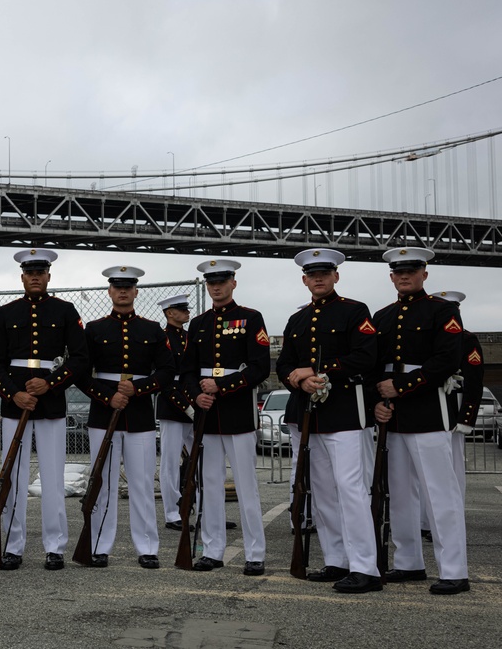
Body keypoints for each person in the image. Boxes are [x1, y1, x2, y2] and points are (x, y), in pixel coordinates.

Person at [275, 248, 381, 593]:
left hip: (346, 412)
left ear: (336, 276)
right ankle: (337, 560)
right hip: (310, 415)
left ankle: (366, 567)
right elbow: (283, 365)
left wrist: (319, 371)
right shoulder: (297, 319)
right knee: (322, 492)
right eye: (311, 275)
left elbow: (365, 356)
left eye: (324, 273)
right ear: (304, 280)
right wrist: (298, 378)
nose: (318, 279)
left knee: (351, 490)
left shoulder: (355, 311)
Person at [0, 249, 89, 571]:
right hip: (17, 404)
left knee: (53, 478)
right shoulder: (6, 313)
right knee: (11, 477)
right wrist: (13, 395)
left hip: (51, 402)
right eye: (29, 272)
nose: (34, 276)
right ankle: (13, 546)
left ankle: (54, 546)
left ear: (48, 276)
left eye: (40, 271)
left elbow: (81, 358)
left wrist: (51, 384)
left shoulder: (66, 310)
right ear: (22, 277)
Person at [373, 247, 468, 595]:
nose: (404, 276)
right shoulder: (381, 317)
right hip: (393, 416)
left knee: (440, 494)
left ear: (424, 274)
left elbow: (447, 360)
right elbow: (374, 367)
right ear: (391, 277)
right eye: (398, 272)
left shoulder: (443, 311)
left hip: (428, 411)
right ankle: (409, 561)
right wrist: (377, 402)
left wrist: (399, 387)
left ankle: (455, 570)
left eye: (411, 270)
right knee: (399, 494)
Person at [76, 266, 174, 568]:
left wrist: (137, 388)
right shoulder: (93, 329)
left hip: (140, 415)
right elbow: (80, 372)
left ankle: (147, 547)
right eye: (117, 287)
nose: (122, 291)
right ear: (109, 291)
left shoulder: (153, 329)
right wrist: (108, 396)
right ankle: (98, 546)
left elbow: (168, 371)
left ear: (135, 292)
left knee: (142, 484)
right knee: (102, 483)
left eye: (128, 287)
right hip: (103, 414)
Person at [179, 259, 268, 576]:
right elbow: (187, 371)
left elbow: (260, 368)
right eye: (211, 282)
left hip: (237, 411)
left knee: (246, 485)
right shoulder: (199, 324)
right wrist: (196, 395)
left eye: (222, 281)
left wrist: (222, 385)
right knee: (209, 484)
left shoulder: (250, 318)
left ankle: (255, 552)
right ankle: (212, 550)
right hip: (207, 413)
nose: (216, 286)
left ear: (233, 283)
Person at [154, 293, 194, 532]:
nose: (186, 312)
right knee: (170, 461)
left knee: (201, 458)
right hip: (172, 404)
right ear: (170, 313)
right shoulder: (163, 338)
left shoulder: (189, 338)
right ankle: (172, 512)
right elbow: (165, 377)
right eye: (181, 309)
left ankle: (200, 508)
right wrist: (184, 404)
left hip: (192, 397)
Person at [435, 290, 481, 498]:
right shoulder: (430, 338)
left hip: (454, 406)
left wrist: (466, 417)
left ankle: (453, 512)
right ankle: (425, 522)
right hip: (430, 406)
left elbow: (473, 380)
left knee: (452, 464)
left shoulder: (467, 339)